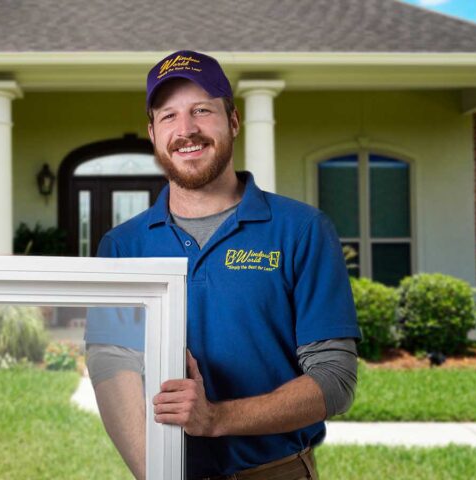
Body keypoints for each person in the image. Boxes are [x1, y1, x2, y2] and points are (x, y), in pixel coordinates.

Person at [85, 50, 361, 480]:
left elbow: (335, 379)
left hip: (276, 472)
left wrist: (216, 418)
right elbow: (110, 365)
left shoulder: (302, 230)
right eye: (169, 116)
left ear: (233, 121)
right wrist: (154, 473)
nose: (186, 130)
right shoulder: (123, 246)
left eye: (201, 110)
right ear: (153, 133)